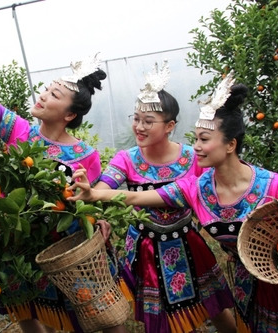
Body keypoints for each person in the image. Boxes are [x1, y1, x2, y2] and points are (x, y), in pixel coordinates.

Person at [69, 73, 278, 332]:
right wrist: (93, 194)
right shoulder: (195, 188)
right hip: (249, 286)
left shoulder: (270, 185)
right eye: (196, 138)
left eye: (204, 139)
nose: (196, 146)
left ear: (230, 144)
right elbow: (133, 196)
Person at [0, 11, 114, 333]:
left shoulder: (87, 156)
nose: (43, 95)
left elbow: (92, 198)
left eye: (54, 95)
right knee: (28, 315)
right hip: (17, 242)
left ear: (70, 114)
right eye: (46, 89)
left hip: (64, 247)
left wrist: (99, 217)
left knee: (83, 314)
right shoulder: (19, 132)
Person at [94, 62, 236, 332]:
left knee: (214, 307)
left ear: (170, 125)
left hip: (187, 242)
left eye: (148, 121)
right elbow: (103, 187)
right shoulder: (127, 158)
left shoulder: (192, 157)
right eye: (136, 118)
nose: (139, 126)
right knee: (161, 319)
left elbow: (215, 191)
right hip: (145, 249)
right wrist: (92, 198)